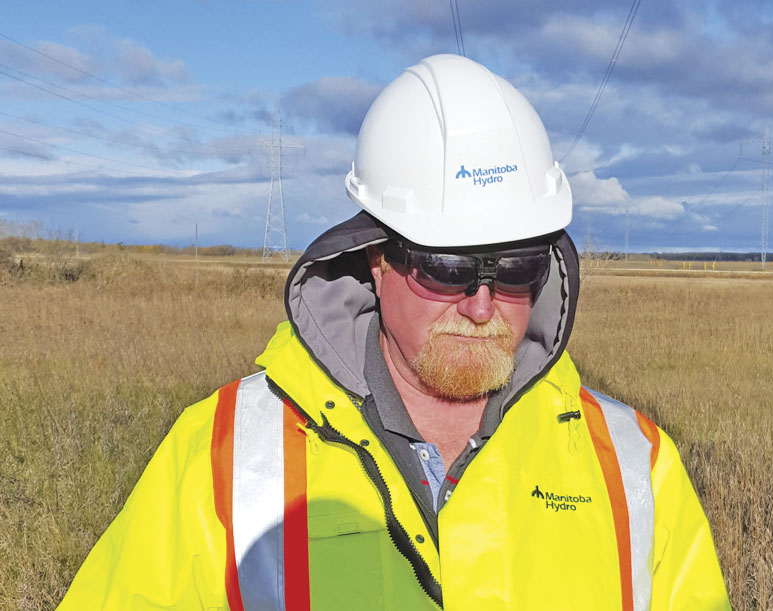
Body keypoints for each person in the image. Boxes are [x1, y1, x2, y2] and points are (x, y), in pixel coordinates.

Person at [58, 54, 730, 610]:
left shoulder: (639, 469)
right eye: (447, 265)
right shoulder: (218, 457)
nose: (482, 304)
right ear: (377, 260)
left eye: (518, 264)